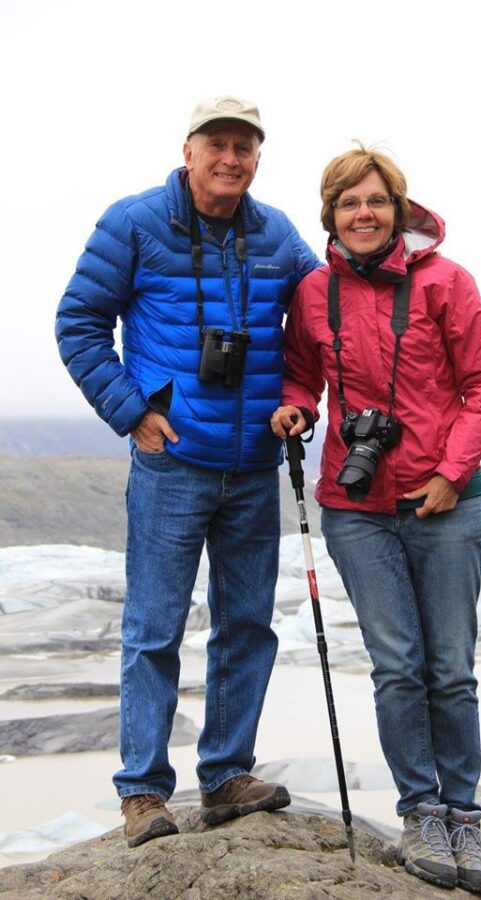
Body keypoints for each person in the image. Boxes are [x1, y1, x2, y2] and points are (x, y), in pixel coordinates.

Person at [56, 96, 320, 848]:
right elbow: (78, 321)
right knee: (154, 629)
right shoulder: (135, 221)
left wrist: (303, 397)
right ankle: (143, 790)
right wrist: (131, 411)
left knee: (245, 626)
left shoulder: (276, 233)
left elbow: (318, 313)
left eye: (245, 147)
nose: (231, 159)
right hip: (172, 461)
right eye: (219, 145)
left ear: (258, 158)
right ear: (190, 149)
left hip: (253, 463)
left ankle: (227, 775)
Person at [271, 145, 481, 894]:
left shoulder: (447, 282)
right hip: (357, 508)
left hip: (445, 504)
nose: (363, 214)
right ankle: (419, 811)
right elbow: (301, 371)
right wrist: (297, 408)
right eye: (348, 203)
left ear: (399, 209)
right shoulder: (314, 291)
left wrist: (449, 473)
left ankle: (463, 815)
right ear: (330, 215)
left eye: (375, 201)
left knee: (451, 671)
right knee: (399, 667)